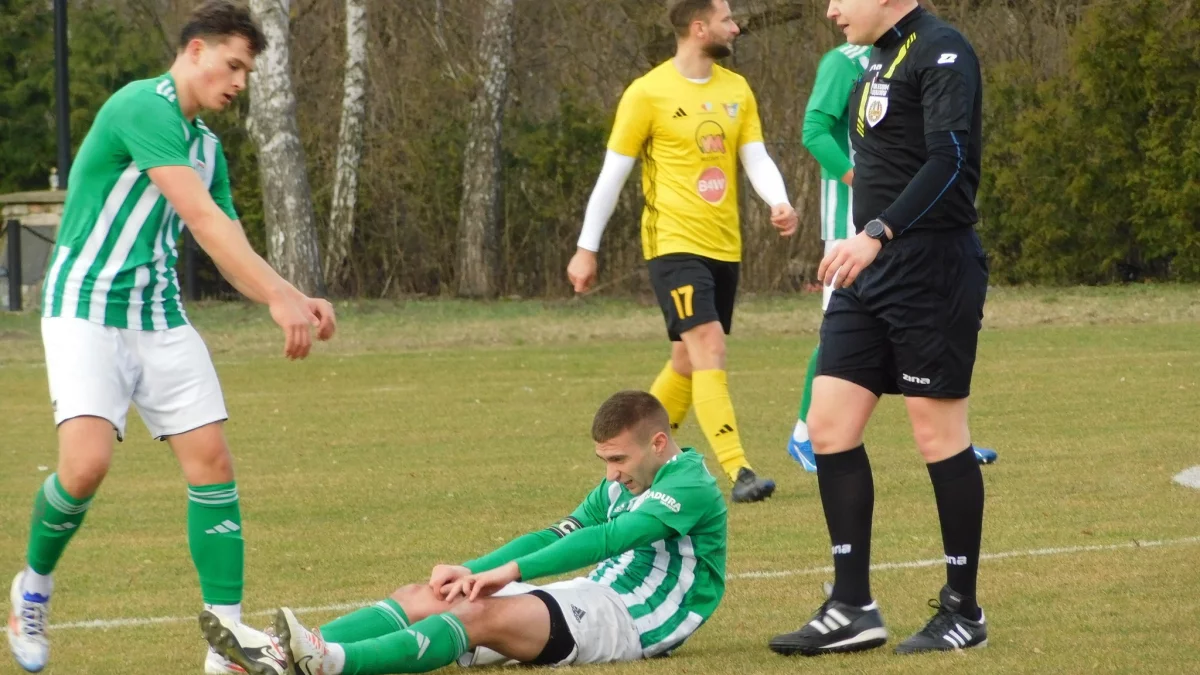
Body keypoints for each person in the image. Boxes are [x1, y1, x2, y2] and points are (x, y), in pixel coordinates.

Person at [6, 2, 336, 673]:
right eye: (232, 65)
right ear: (195, 51)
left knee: (212, 462)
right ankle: (32, 589)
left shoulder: (207, 147)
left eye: (247, 72)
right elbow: (201, 218)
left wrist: (291, 294)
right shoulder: (142, 106)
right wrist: (279, 299)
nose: (239, 82)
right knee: (85, 465)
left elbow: (226, 239)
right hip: (85, 309)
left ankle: (227, 642)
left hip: (158, 316)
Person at [197, 390, 728, 675]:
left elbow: (607, 540)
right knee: (428, 595)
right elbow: (556, 534)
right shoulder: (624, 481)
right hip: (590, 592)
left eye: (619, 459)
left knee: (475, 615)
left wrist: (507, 574)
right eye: (604, 461)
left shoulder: (690, 483)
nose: (611, 474)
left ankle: (329, 663)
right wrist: (473, 571)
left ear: (659, 444)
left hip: (633, 620)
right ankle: (275, 654)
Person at [769, 0, 991, 656]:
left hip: (931, 266)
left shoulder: (943, 50)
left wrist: (877, 230)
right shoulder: (873, 58)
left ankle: (963, 610)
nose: (831, 9)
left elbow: (949, 159)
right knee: (829, 425)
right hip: (869, 269)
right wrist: (868, 239)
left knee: (937, 434)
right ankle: (852, 606)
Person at [566, 0, 797, 503]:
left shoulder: (736, 90)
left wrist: (778, 200)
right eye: (726, 19)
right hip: (672, 245)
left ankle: (630, 468)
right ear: (698, 28)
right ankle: (739, 470)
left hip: (724, 246)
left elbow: (755, 155)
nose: (736, 27)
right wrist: (587, 248)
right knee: (708, 345)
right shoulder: (647, 93)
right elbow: (612, 176)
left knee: (688, 362)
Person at [785, 2, 998, 472]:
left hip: (912, 245)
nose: (830, 11)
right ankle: (804, 432)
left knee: (934, 425)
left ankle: (951, 441)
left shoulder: (934, 47)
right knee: (833, 371)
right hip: (858, 236)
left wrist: (882, 221)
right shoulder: (848, 60)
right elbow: (815, 131)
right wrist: (862, 186)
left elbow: (947, 157)